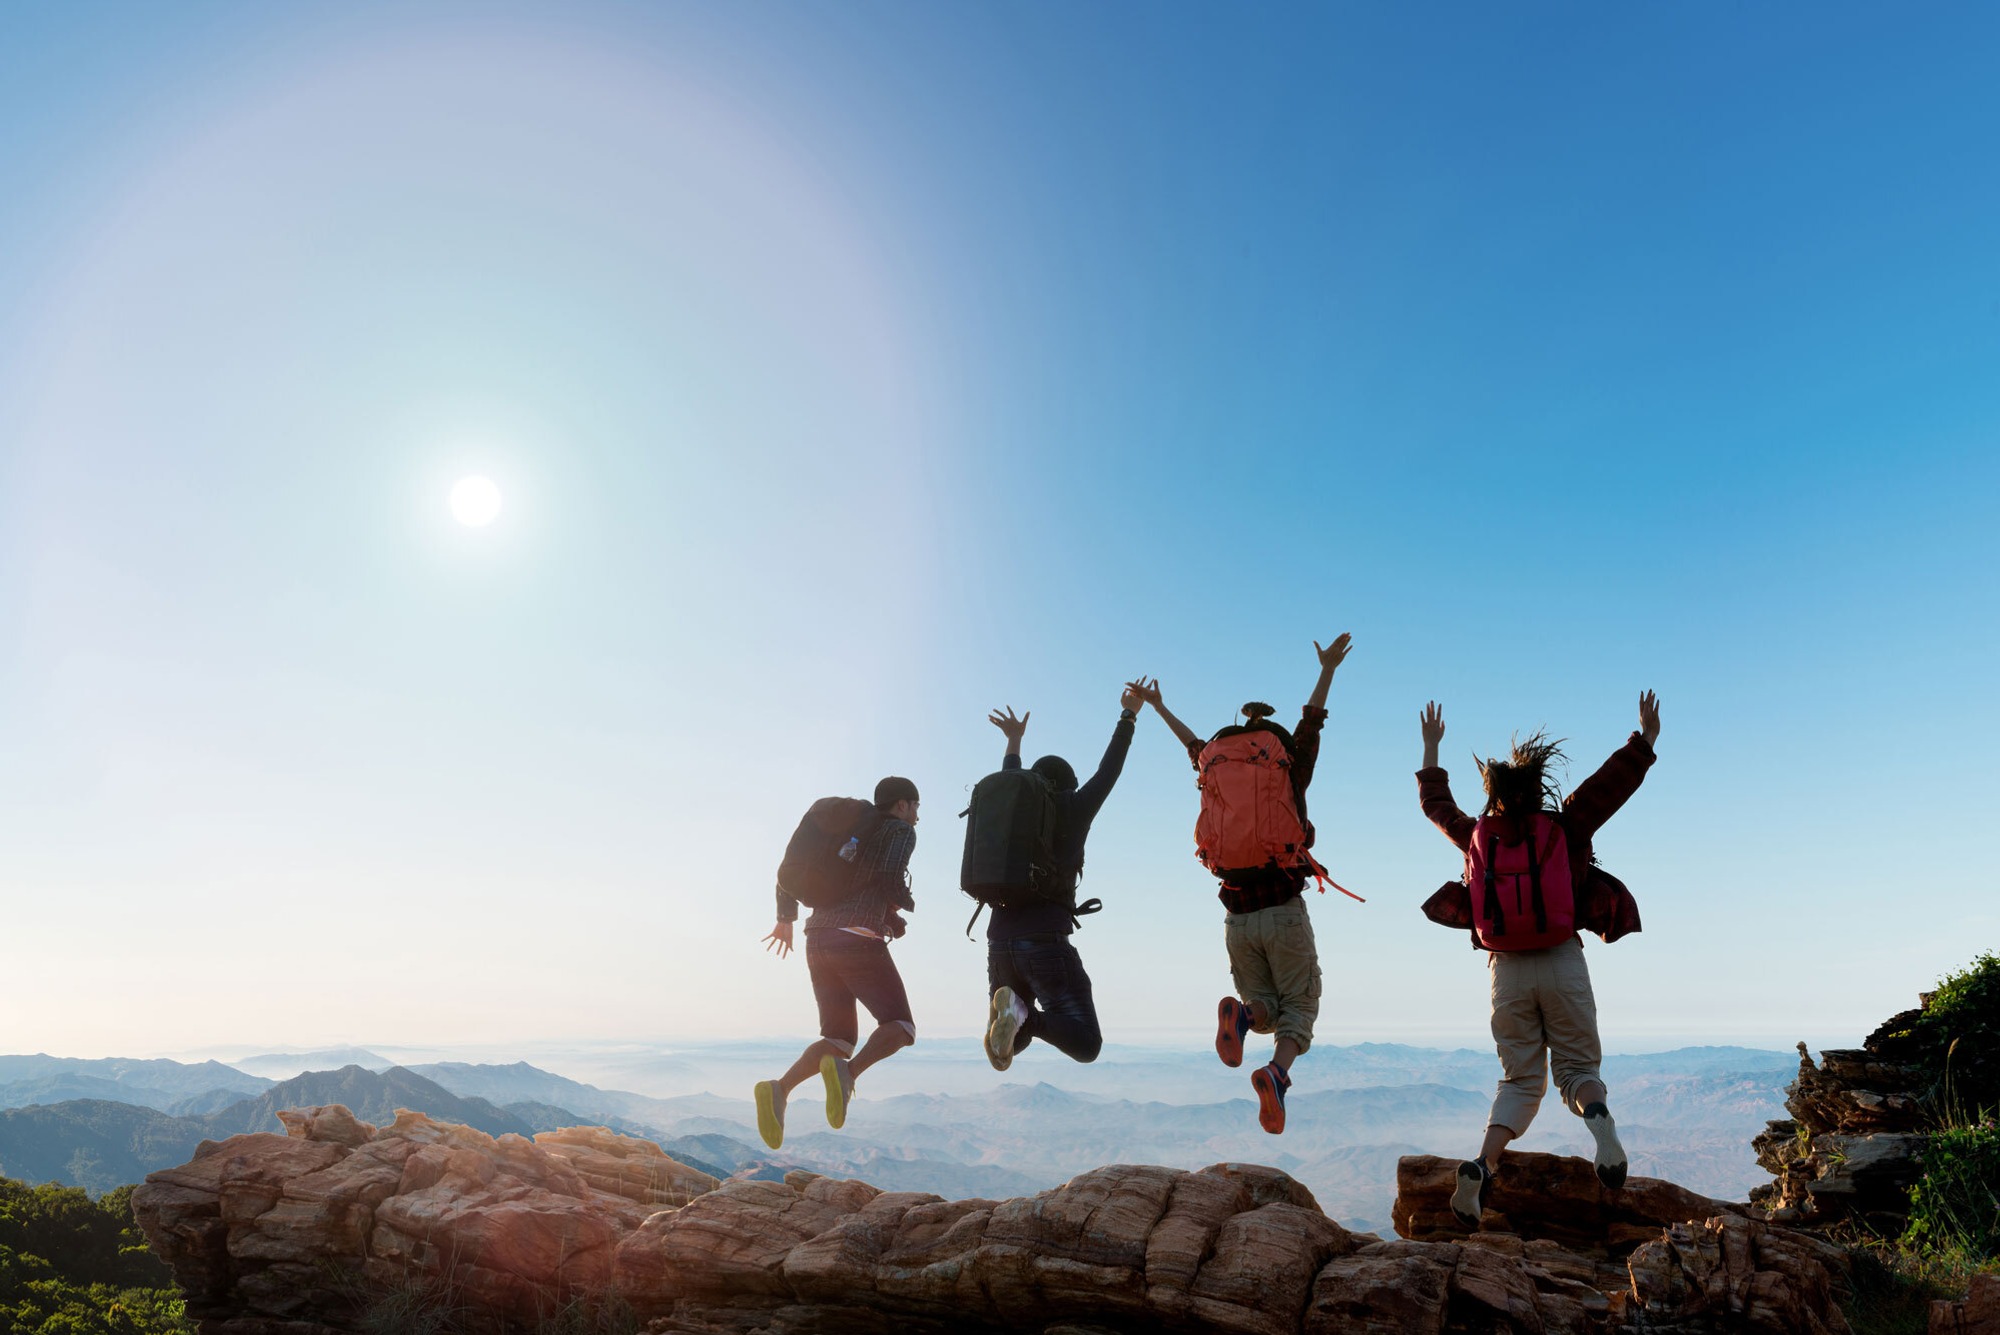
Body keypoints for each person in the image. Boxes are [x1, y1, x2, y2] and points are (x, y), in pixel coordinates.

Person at [1416, 692, 1661, 1228]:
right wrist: (1644, 738)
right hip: (1561, 958)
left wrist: (1432, 748)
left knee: (1520, 1081)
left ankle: (1483, 1164)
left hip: (1505, 971)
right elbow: (1610, 785)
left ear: (1495, 793)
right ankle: (1598, 1118)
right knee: (1578, 1069)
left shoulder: (1477, 836)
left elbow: (1436, 806)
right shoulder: (1565, 825)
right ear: (1538, 788)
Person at [1129, 633, 1353, 1134]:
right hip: (1282, 908)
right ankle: (1276, 1073)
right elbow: (1312, 720)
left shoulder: (1213, 761)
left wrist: (1159, 707)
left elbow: (1190, 744)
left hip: (1236, 916)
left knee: (1265, 1010)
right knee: (1299, 1007)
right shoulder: (1290, 764)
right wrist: (1327, 670)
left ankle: (1243, 1017)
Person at [981, 682, 1146, 1070]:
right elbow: (1109, 771)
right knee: (1086, 1043)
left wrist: (1014, 742)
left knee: (1015, 1044)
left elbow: (1010, 780)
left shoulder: (1013, 816)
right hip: (1044, 943)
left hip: (999, 941)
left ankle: (1014, 1014)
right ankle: (1024, 1015)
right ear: (1069, 785)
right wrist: (1128, 715)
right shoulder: (1074, 807)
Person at [753, 776, 921, 1151]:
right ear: (902, 805)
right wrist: (903, 906)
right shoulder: (899, 830)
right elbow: (888, 877)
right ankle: (849, 1073)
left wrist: (785, 918)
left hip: (817, 939)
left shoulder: (845, 835)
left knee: (838, 1040)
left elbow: (792, 873)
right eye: (915, 807)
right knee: (901, 1026)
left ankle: (779, 1089)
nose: (916, 817)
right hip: (856, 938)